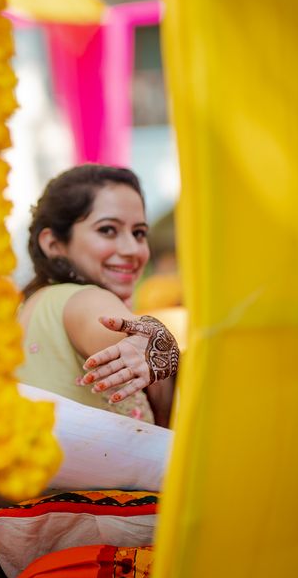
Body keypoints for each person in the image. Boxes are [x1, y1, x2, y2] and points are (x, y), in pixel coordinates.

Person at [17, 165, 180, 427]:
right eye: (107, 230)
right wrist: (151, 341)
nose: (131, 249)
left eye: (139, 233)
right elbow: (118, 335)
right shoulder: (85, 299)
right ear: (53, 243)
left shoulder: (28, 307)